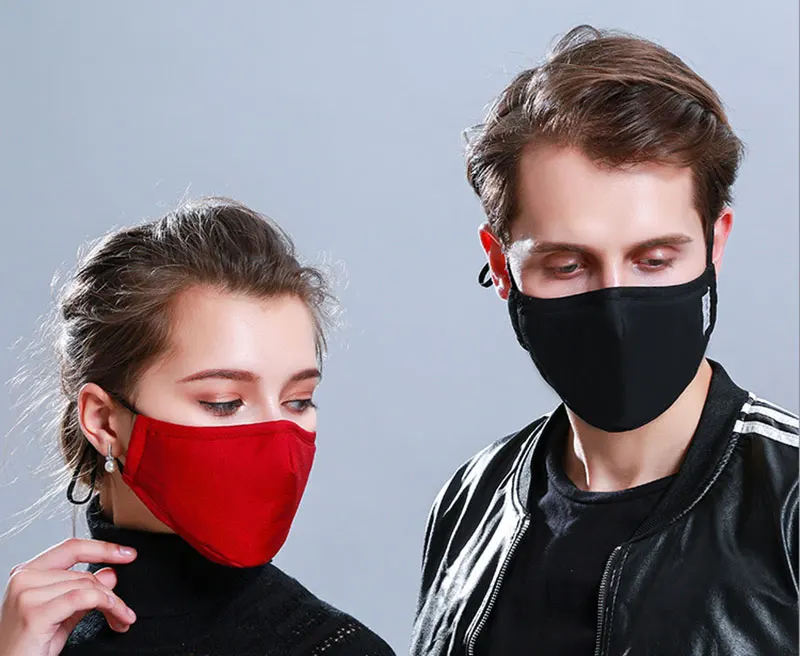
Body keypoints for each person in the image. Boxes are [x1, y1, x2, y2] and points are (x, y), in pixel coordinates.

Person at [411, 25, 798, 656]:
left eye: (654, 260)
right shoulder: (470, 502)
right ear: (501, 266)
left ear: (715, 246)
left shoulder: (792, 505)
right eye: (567, 265)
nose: (615, 306)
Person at [0, 198, 395, 656]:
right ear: (104, 422)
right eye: (224, 403)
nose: (277, 438)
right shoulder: (35, 639)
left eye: (298, 400)